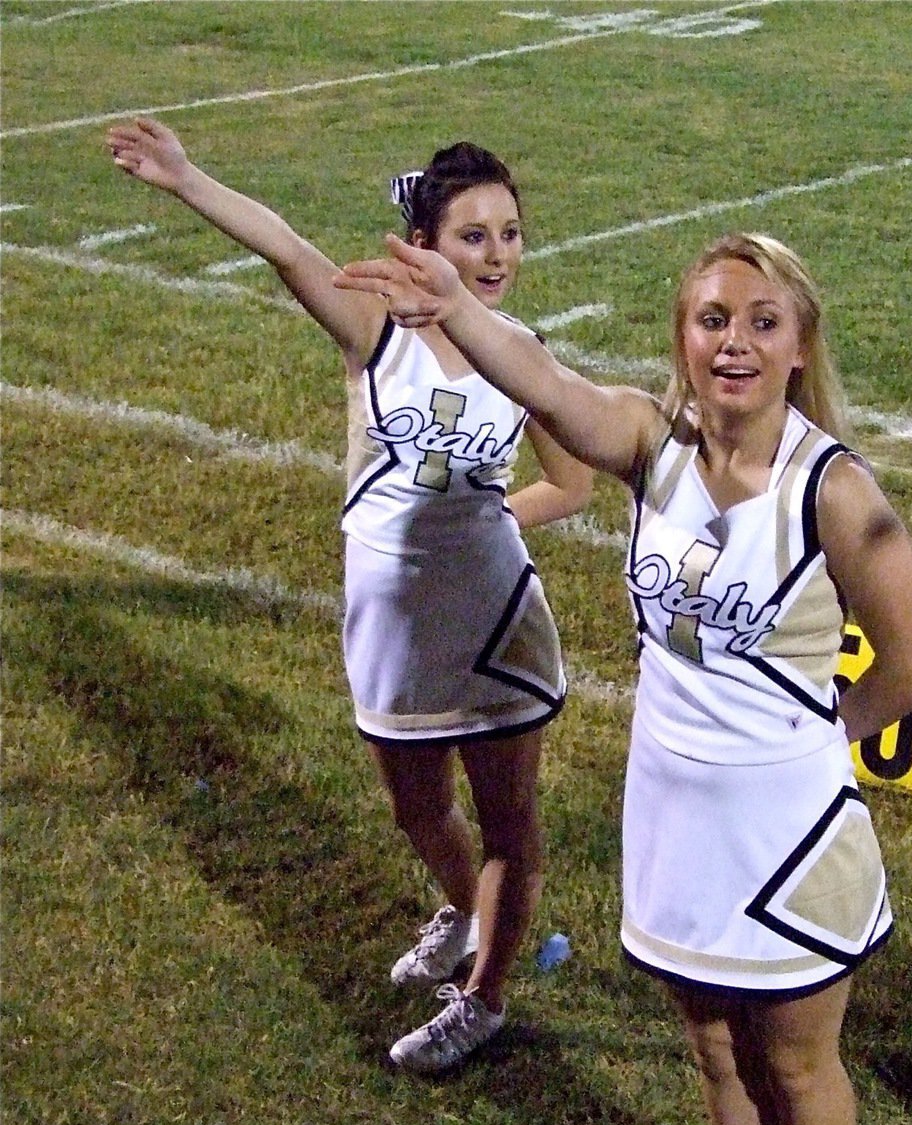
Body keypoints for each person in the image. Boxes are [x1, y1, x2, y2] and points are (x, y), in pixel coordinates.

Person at [335, 230, 912, 1125]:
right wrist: (457, 308)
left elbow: (910, 664)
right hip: (669, 811)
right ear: (682, 340)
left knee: (794, 1061)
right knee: (709, 1046)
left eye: (760, 323)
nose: (732, 343)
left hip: (782, 828)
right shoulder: (650, 445)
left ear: (797, 345)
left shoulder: (830, 490)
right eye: (711, 322)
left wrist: (807, 740)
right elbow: (545, 383)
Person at [105, 118, 592, 1073]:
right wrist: (187, 178)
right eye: (472, 235)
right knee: (416, 809)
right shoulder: (376, 329)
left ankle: (483, 997)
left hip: (492, 618)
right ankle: (461, 915)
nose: (496, 256)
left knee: (509, 826)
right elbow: (285, 246)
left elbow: (571, 485)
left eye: (510, 233)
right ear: (424, 247)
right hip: (387, 618)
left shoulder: (523, 354)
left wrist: (486, 527)